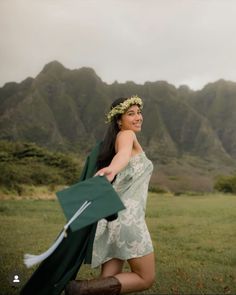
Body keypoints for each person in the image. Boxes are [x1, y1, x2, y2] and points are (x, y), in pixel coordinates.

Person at [65, 95, 155, 295]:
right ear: (118, 120)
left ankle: (84, 290)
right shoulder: (126, 135)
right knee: (145, 278)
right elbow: (122, 155)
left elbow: (123, 155)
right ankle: (80, 289)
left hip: (112, 218)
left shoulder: (119, 139)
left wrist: (113, 168)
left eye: (139, 112)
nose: (138, 117)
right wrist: (113, 169)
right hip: (128, 219)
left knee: (106, 282)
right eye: (130, 114)